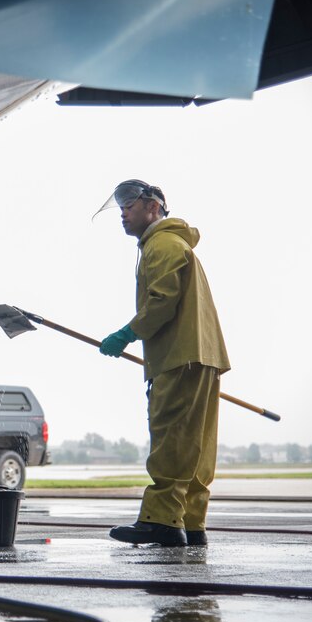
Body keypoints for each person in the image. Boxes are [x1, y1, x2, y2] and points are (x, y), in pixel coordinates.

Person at [96, 180, 230, 547]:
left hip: (178, 356)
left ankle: (161, 521)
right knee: (195, 446)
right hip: (202, 355)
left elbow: (161, 303)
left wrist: (127, 332)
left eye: (130, 205)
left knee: (172, 438)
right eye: (120, 206)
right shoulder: (174, 244)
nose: (122, 213)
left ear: (153, 208)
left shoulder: (162, 244)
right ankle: (190, 521)